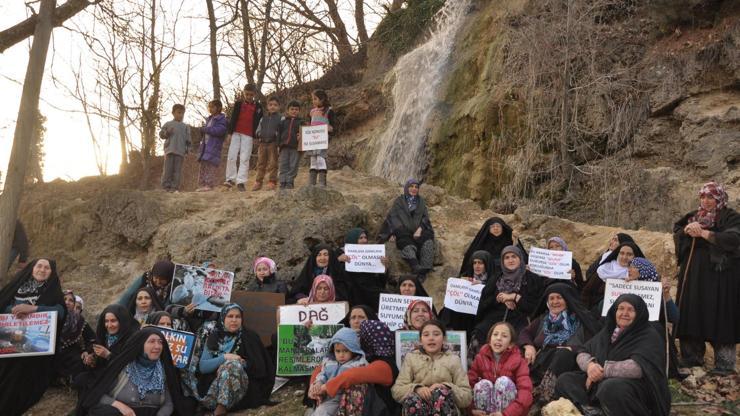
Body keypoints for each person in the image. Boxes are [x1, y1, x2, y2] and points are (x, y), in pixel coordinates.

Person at [554, 294, 671, 416]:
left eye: (630, 310)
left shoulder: (649, 335)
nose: (624, 313)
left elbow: (639, 368)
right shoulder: (608, 331)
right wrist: (590, 366)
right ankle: (591, 411)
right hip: (599, 381)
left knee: (611, 388)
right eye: (621, 308)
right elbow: (583, 352)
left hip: (635, 387)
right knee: (566, 380)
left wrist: (603, 372)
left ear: (639, 313)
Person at [674, 181, 739, 375]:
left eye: (710, 197)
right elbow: (677, 231)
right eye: (702, 196)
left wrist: (703, 233)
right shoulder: (693, 217)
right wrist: (686, 232)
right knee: (693, 312)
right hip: (694, 278)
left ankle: (724, 365)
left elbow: (734, 239)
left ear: (720, 198)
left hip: (722, 279)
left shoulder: (731, 217)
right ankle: (692, 358)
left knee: (722, 316)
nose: (706, 200)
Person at [0, 259, 66, 415]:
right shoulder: (17, 285)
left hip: (35, 351)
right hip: (9, 345)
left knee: (23, 381)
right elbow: (2, 304)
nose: (42, 270)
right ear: (32, 268)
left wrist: (33, 309)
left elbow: (61, 311)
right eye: (39, 266)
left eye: (47, 268)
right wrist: (15, 309)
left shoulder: (53, 290)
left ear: (52, 272)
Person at [77, 327, 189, 416]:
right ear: (141, 345)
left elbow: (169, 403)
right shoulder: (122, 368)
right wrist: (120, 407)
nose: (157, 346)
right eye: (151, 342)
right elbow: (98, 395)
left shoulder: (164, 371)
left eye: (160, 342)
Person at [518, 283, 600, 402]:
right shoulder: (543, 319)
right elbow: (525, 333)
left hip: (566, 364)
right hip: (540, 361)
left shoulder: (581, 321)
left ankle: (545, 393)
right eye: (551, 298)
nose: (555, 301)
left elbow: (592, 343)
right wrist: (528, 345)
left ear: (567, 300)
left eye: (559, 298)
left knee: (563, 354)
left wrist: (573, 349)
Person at [192, 304, 274, 414]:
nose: (234, 320)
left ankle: (221, 408)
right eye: (230, 316)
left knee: (232, 365)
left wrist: (238, 363)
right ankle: (216, 404)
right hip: (213, 392)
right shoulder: (214, 337)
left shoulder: (249, 337)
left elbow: (260, 368)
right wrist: (224, 358)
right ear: (223, 318)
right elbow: (203, 367)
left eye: (238, 317)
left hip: (242, 392)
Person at [307, 320, 399, 415]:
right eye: (338, 351)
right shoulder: (339, 359)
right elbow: (322, 369)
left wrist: (326, 387)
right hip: (330, 398)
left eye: (363, 336)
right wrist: (315, 385)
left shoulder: (383, 363)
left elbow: (351, 375)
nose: (361, 338)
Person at [392, 320, 472, 415]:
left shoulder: (453, 360)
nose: (431, 338)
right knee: (413, 399)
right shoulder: (411, 358)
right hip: (419, 409)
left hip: (445, 411)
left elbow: (467, 397)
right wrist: (417, 388)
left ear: (444, 339)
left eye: (436, 334)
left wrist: (445, 386)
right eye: (426, 335)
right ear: (421, 341)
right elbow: (396, 391)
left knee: (440, 393)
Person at [473, 246, 544, 345]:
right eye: (507, 257)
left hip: (520, 317)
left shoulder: (532, 279)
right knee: (480, 331)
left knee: (520, 338)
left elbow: (536, 306)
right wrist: (500, 298)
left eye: (513, 256)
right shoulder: (497, 277)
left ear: (520, 258)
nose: (510, 260)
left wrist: (515, 297)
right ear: (502, 261)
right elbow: (484, 303)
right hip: (495, 316)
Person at [469, 322, 532, 416]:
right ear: (489, 340)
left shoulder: (519, 361)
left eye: (504, 336)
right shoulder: (480, 358)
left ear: (511, 344)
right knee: (483, 384)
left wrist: (506, 413)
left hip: (507, 412)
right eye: (495, 334)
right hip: (485, 409)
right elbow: (468, 385)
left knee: (503, 382)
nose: (498, 338)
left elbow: (525, 392)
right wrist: (471, 410)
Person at [379, 179, 436, 279]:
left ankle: (424, 271)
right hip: (403, 231)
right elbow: (393, 217)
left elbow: (425, 218)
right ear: (406, 188)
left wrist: (420, 229)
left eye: (416, 187)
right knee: (402, 237)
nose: (414, 189)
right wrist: (393, 232)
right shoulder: (399, 201)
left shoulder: (421, 202)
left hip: (417, 231)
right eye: (411, 186)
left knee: (428, 238)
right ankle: (415, 266)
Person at [308, 328, 368, 415]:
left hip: (346, 398)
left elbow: (361, 374)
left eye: (345, 351)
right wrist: (318, 382)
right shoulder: (329, 362)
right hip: (328, 397)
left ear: (353, 350)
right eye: (338, 351)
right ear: (333, 350)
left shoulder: (357, 363)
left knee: (322, 412)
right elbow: (323, 374)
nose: (341, 355)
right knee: (321, 411)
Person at [440, 250, 492, 336]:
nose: (477, 266)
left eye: (480, 263)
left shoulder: (492, 279)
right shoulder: (465, 276)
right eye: (474, 263)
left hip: (482, 313)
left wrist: (483, 285)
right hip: (464, 313)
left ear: (487, 264)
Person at [338, 227, 389, 311]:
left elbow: (379, 281)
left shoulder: (373, 254)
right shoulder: (340, 254)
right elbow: (335, 275)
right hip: (351, 292)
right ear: (353, 239)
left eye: (365, 238)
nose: (364, 240)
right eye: (361, 238)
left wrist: (384, 267)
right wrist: (338, 261)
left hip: (370, 292)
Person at [224, 84, 263, 191]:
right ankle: (230, 179)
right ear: (243, 93)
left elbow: (260, 122)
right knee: (232, 155)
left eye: (251, 95)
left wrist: (257, 136)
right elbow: (233, 118)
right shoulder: (238, 104)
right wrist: (229, 133)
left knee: (245, 158)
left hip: (249, 135)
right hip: (236, 133)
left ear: (254, 94)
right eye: (247, 94)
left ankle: (241, 181)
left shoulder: (258, 107)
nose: (249, 96)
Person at [580, 233, 635, 309]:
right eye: (621, 253)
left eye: (629, 254)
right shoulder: (605, 268)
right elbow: (587, 291)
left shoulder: (638, 272)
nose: (624, 257)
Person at [54, 290, 97, 385]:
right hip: (52, 354)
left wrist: (87, 351)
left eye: (71, 300)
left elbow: (92, 338)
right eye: (64, 299)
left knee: (83, 363)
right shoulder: (49, 316)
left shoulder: (79, 320)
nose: (67, 302)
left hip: (71, 356)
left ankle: (69, 380)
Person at [197, 99, 229, 192]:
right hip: (205, 146)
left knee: (210, 165)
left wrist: (206, 129)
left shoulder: (222, 119)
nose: (210, 109)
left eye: (212, 107)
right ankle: (201, 184)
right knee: (203, 165)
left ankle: (209, 184)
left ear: (218, 108)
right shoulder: (209, 119)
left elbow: (220, 130)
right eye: (209, 107)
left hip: (214, 146)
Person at [306, 89, 336, 187]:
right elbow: (309, 125)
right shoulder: (312, 112)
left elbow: (333, 125)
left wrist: (330, 128)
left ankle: (322, 182)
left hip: (322, 139)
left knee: (320, 158)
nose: (313, 101)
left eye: (315, 99)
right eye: (312, 99)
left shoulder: (329, 111)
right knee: (313, 159)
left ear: (322, 99)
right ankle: (312, 182)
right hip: (312, 140)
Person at [159, 103, 190, 192]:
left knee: (177, 171)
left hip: (180, 152)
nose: (180, 115)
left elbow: (188, 140)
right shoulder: (168, 124)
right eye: (178, 112)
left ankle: (174, 187)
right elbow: (161, 134)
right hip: (170, 150)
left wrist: (187, 150)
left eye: (182, 113)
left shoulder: (185, 126)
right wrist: (167, 132)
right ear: (173, 113)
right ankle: (166, 187)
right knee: (168, 169)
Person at [252, 96, 282, 191]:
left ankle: (272, 181)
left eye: (275, 105)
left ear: (279, 107)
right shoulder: (263, 119)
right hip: (262, 143)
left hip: (273, 143)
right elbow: (257, 130)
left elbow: (282, 131)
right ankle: (258, 181)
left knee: (273, 163)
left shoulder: (281, 118)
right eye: (270, 105)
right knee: (261, 163)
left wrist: (277, 135)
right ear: (267, 106)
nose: (273, 107)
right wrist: (259, 134)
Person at [277, 100, 303, 190]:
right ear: (288, 110)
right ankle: (282, 182)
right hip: (284, 147)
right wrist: (278, 145)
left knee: (293, 165)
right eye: (292, 109)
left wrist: (301, 136)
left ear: (299, 111)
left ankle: (290, 181)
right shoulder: (283, 122)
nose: (294, 111)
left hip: (295, 147)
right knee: (283, 164)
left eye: (296, 109)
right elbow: (279, 134)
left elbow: (305, 133)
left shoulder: (301, 122)